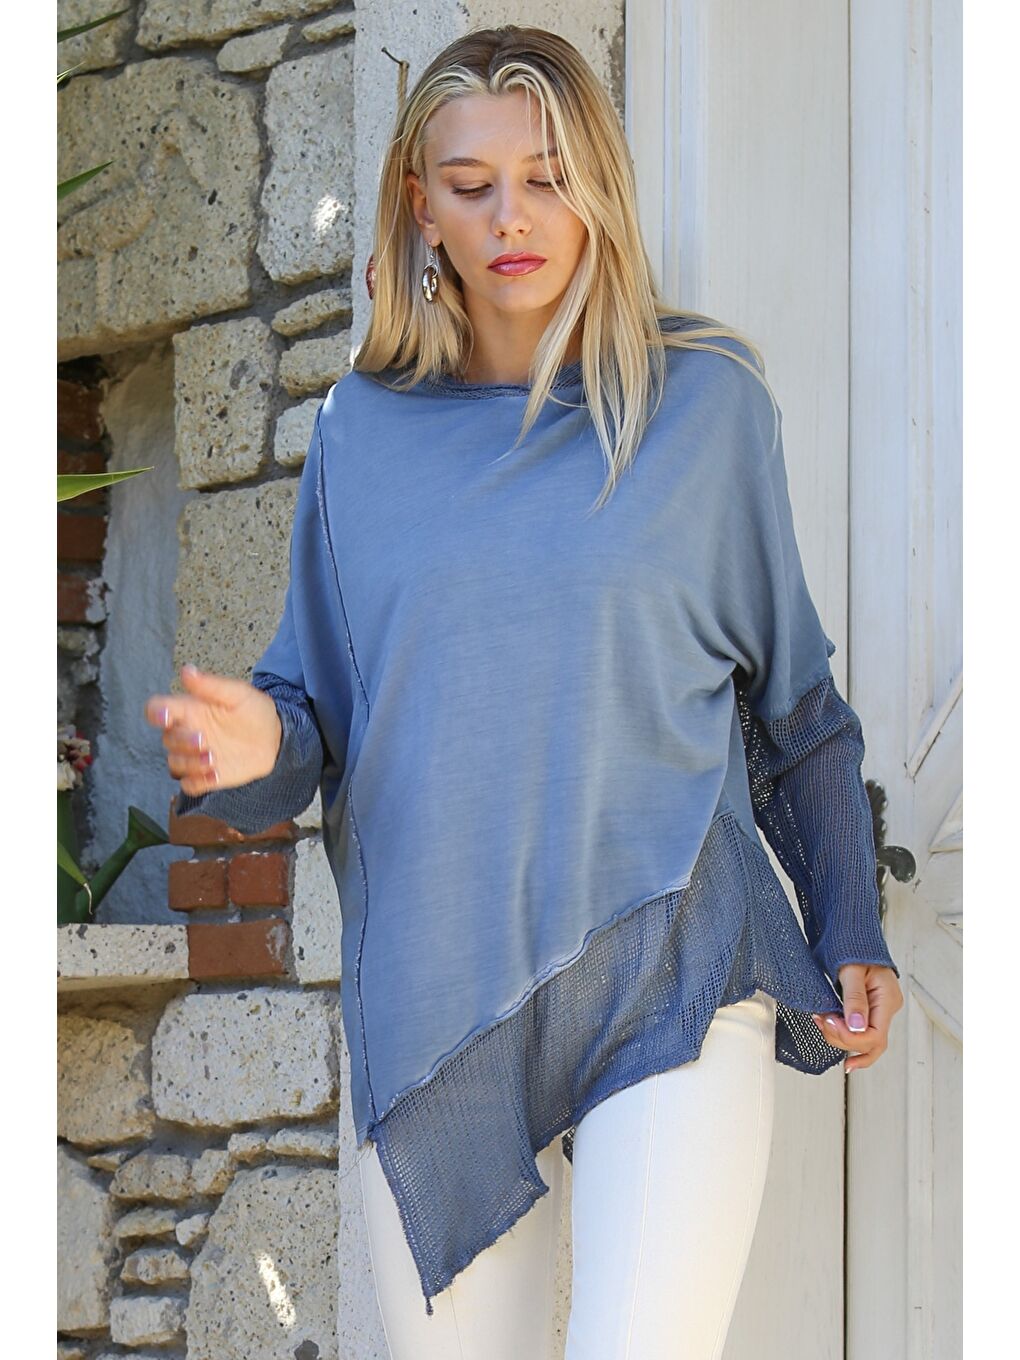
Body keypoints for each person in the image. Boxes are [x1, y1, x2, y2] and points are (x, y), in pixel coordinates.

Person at [145, 25, 904, 1360]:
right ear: (418, 204)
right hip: (437, 995)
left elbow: (797, 705)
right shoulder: (360, 433)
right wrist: (255, 742)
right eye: (473, 183)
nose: (513, 217)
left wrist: (851, 917)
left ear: (599, 184)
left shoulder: (706, 403)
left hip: (669, 958)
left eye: (549, 177)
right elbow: (307, 715)